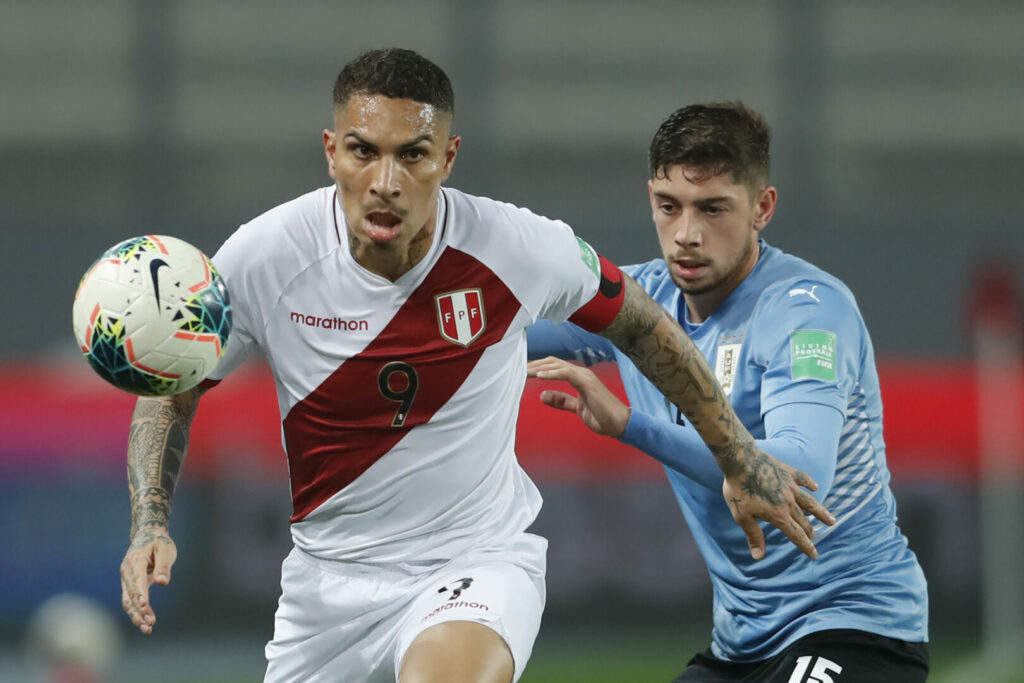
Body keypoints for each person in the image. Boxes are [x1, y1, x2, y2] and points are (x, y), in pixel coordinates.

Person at [118, 52, 832, 683]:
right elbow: (174, 387)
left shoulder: (515, 247)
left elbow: (644, 324)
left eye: (413, 155)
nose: (386, 181)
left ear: (448, 158)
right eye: (364, 151)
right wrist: (150, 522)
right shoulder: (264, 257)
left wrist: (738, 455)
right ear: (331, 153)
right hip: (325, 589)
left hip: (473, 563)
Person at [527, 101, 929, 681]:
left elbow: (798, 472)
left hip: (855, 624)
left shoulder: (807, 312)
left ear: (762, 207)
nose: (686, 235)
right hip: (740, 646)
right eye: (670, 207)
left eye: (713, 208)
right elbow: (492, 334)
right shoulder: (638, 306)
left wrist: (630, 425)